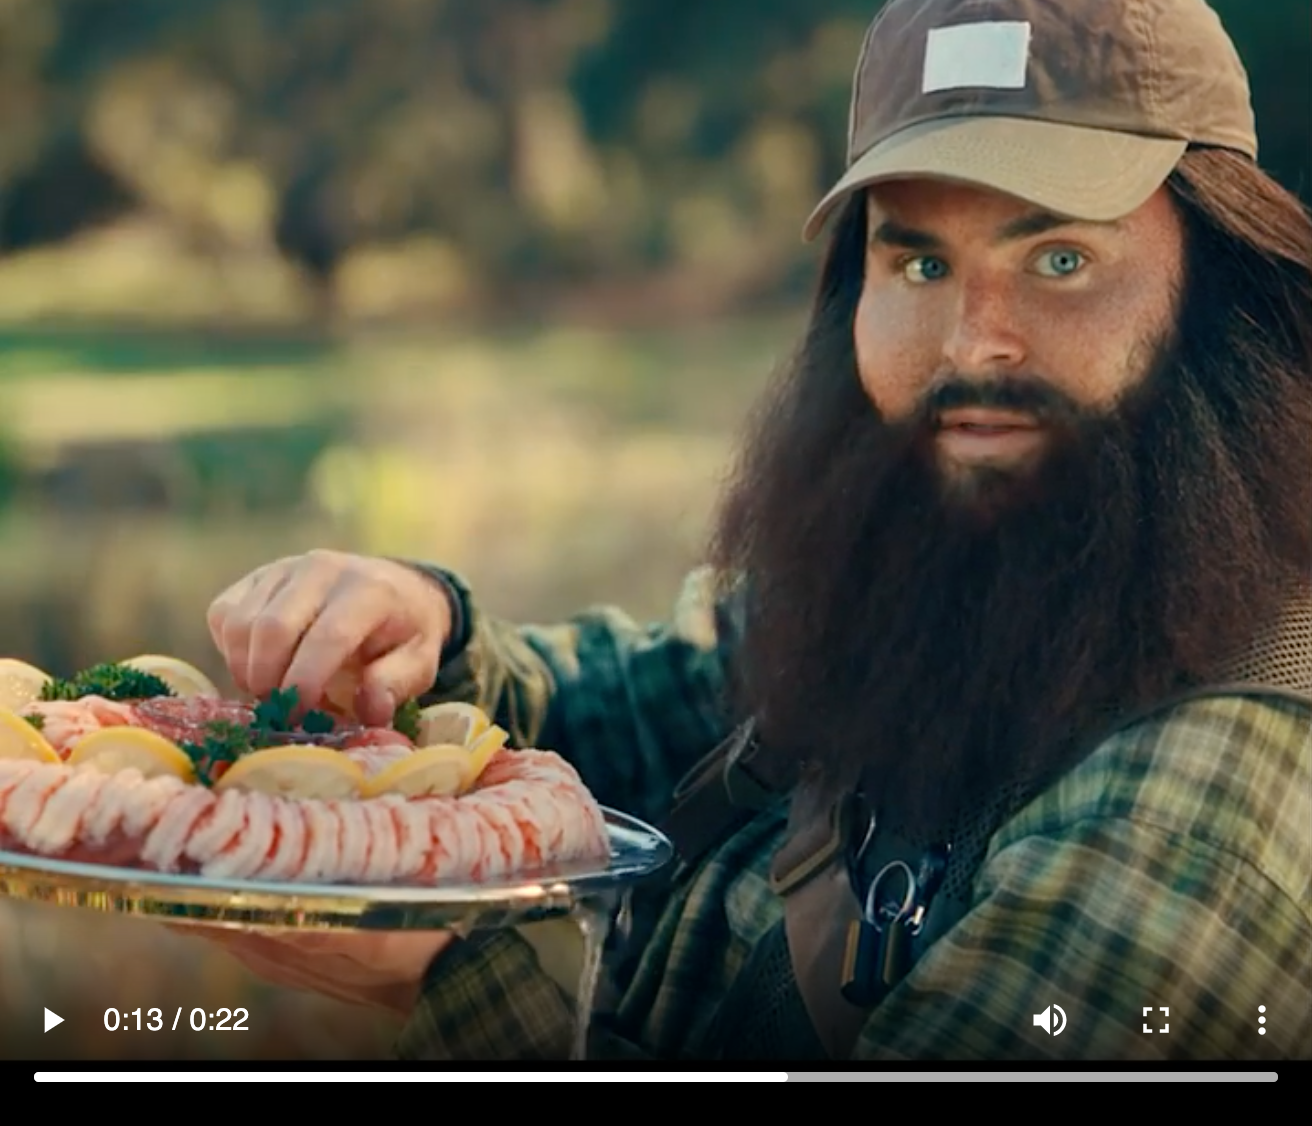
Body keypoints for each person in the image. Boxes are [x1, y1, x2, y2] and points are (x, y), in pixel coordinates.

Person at [188, 0, 1312, 1061]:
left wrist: (448, 981)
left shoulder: (1225, 782)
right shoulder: (940, 578)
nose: (973, 344)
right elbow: (644, 699)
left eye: (1059, 259)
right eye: (919, 261)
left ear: (1218, 290)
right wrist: (426, 632)